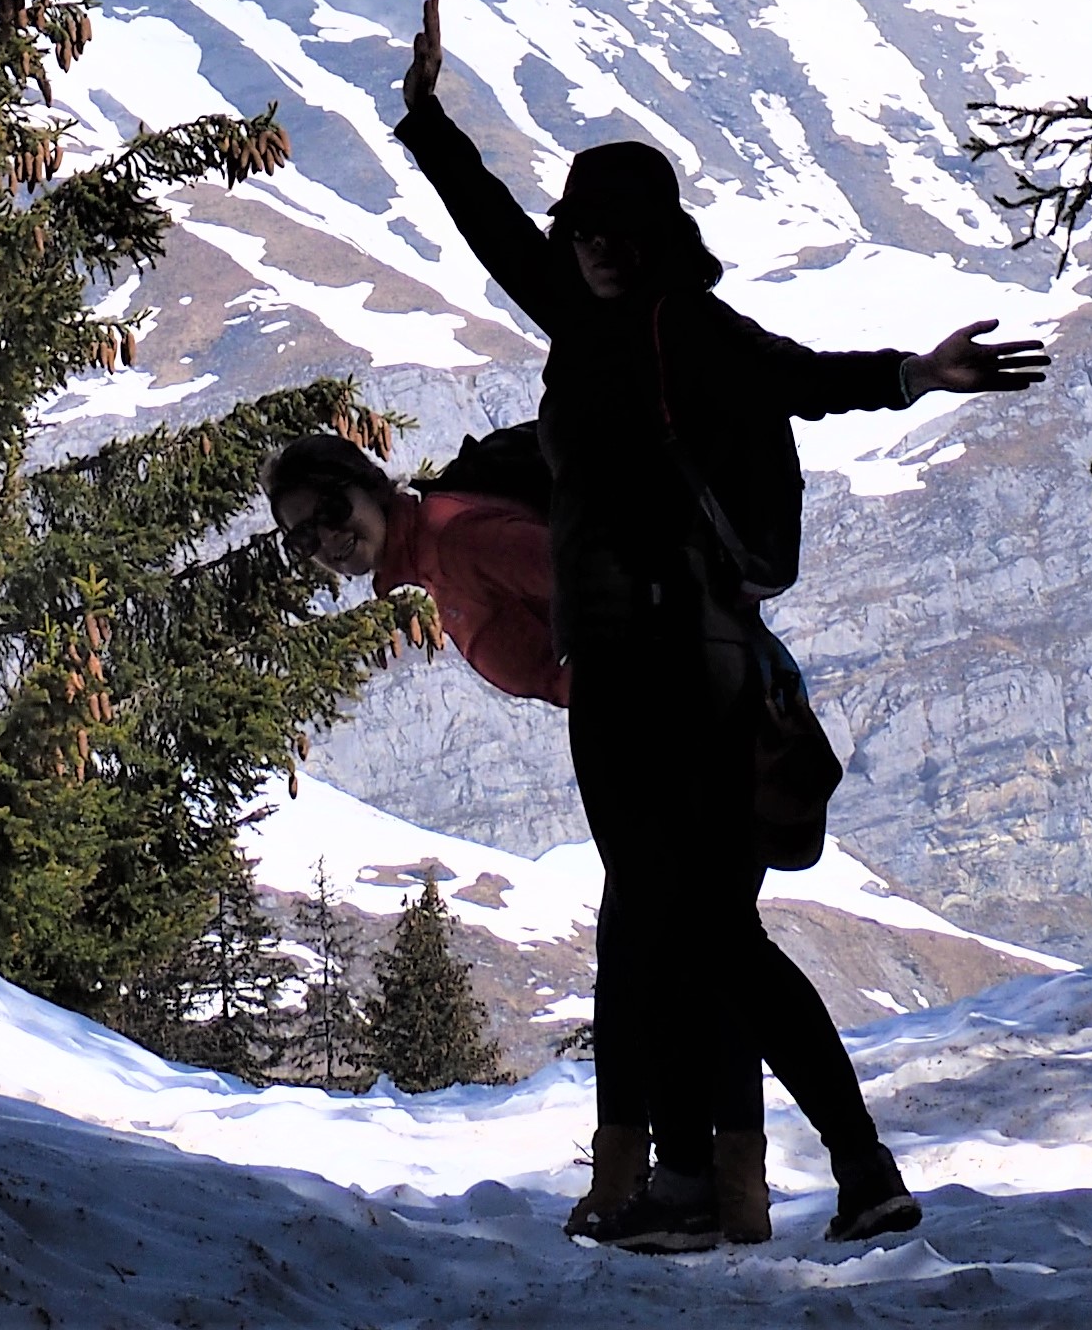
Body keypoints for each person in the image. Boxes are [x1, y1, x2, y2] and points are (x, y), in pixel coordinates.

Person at [380, 0, 1046, 1255]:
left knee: (680, 925)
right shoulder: (621, 317)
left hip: (648, 671)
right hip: (689, 663)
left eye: (613, 230)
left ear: (654, 237)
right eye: (583, 229)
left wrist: (919, 373)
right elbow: (496, 232)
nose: (591, 248)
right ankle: (777, 1177)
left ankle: (740, 1178)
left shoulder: (657, 325)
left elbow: (806, 377)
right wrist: (430, 126)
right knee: (693, 927)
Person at [263, 425, 920, 1230]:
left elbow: (622, 582)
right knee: (697, 949)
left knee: (692, 947)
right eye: (299, 534)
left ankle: (769, 1181)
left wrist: (645, 711)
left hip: (666, 721)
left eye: (331, 509)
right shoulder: (438, 555)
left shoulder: (460, 536)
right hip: (668, 715)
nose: (325, 538)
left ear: (369, 480)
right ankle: (735, 1188)